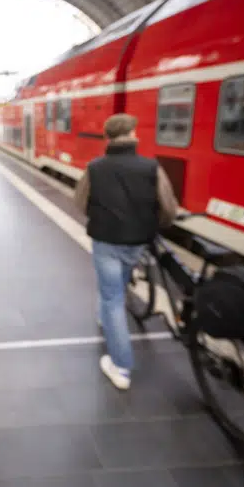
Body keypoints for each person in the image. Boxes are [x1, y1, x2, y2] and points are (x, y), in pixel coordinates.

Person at [74, 113, 179, 390]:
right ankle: (104, 317)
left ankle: (120, 366)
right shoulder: (151, 167)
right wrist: (156, 224)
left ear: (108, 137)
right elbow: (168, 207)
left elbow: (80, 201)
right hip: (137, 242)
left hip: (106, 240)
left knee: (112, 300)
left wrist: (100, 215)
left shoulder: (95, 168)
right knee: (116, 288)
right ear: (131, 135)